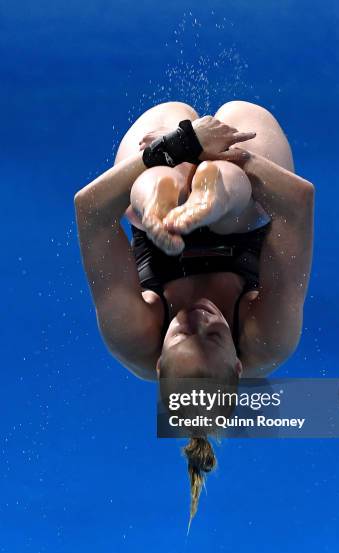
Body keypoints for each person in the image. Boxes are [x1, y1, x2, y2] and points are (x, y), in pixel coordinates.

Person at [74, 100, 315, 524]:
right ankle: (208, 195)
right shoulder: (269, 339)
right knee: (230, 182)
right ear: (239, 366)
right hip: (240, 211)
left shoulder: (132, 337)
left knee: (156, 183)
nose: (200, 317)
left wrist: (175, 146)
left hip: (156, 178)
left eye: (183, 331)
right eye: (216, 334)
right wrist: (219, 153)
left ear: (160, 360)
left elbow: (91, 211)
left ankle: (159, 209)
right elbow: (298, 202)